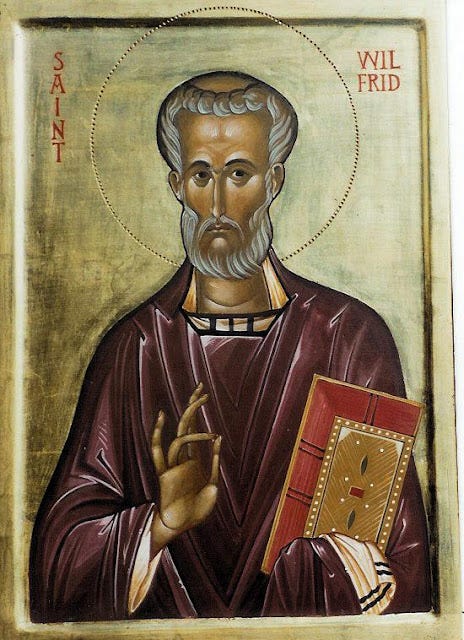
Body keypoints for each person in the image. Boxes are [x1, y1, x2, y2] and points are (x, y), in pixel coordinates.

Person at [29, 71, 431, 622]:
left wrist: (359, 573)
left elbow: (405, 562)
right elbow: (58, 563)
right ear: (177, 185)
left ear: (274, 180)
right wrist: (159, 525)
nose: (217, 202)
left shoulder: (349, 337)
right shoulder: (136, 350)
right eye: (201, 174)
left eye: (239, 173)